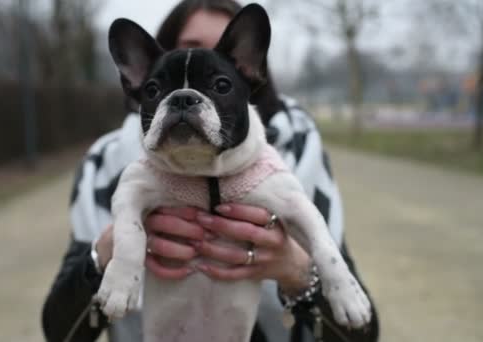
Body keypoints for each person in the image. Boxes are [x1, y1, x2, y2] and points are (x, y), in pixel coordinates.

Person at [42, 1, 380, 341]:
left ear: (249, 66)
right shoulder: (109, 163)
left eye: (217, 78)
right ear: (141, 75)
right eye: (186, 56)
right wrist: (109, 255)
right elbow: (58, 332)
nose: (187, 97)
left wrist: (299, 274)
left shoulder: (287, 156)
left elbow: (363, 333)